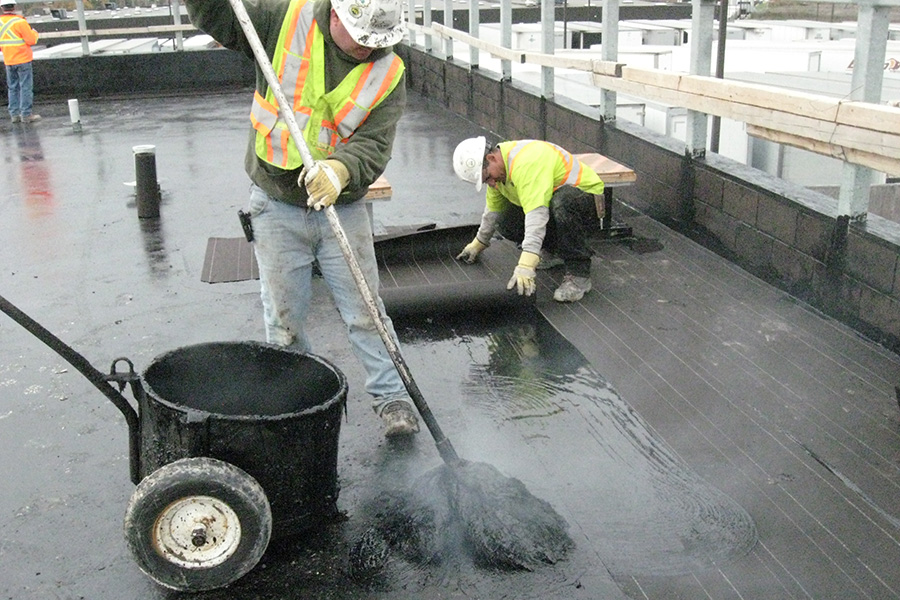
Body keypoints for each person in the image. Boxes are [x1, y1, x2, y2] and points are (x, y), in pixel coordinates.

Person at [185, 0, 419, 436]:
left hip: (342, 208)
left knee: (367, 312)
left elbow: (374, 143)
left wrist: (341, 169)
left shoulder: (389, 72)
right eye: (362, 38)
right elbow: (215, 14)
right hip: (275, 204)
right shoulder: (282, 20)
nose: (369, 49)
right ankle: (296, 401)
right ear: (335, 15)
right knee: (284, 320)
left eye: (377, 42)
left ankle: (393, 400)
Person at [452, 136, 605, 302]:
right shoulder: (499, 172)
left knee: (562, 204)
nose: (490, 184)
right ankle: (555, 252)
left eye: (488, 177)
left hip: (585, 204)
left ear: (491, 158)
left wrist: (526, 264)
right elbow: (493, 212)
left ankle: (579, 274)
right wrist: (478, 243)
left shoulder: (527, 163)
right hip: (553, 207)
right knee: (505, 220)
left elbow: (536, 215)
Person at [0, 0, 40, 124]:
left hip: (9, 60)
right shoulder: (20, 22)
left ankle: (14, 115)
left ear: (2, 8)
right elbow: (31, 40)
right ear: (14, 7)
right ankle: (26, 115)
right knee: (25, 87)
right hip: (23, 59)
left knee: (12, 88)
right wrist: (35, 33)